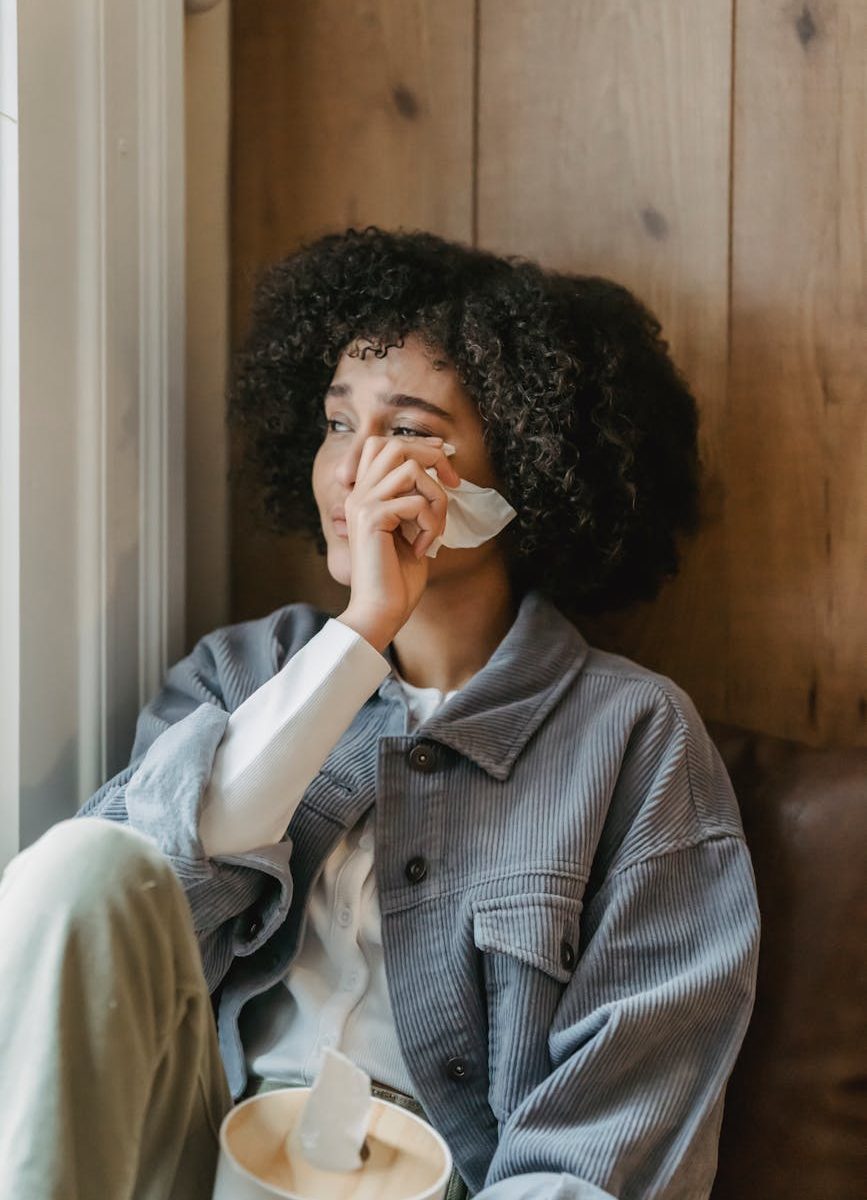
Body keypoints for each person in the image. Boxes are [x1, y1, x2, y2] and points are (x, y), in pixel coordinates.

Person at [0, 227, 759, 1200]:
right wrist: (362, 636)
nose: (349, 473)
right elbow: (144, 903)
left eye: (405, 429)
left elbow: (612, 1146)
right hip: (192, 1157)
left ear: (518, 470)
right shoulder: (241, 675)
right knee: (86, 858)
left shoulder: (637, 742)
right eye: (335, 423)